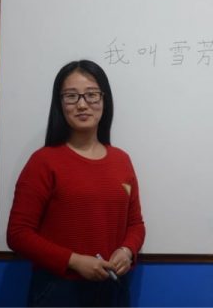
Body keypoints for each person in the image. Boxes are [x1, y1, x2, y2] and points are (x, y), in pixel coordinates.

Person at [7, 60, 146, 307]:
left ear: (104, 99)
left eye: (91, 94)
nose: (82, 104)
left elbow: (135, 224)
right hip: (59, 290)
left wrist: (127, 250)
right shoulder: (43, 161)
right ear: (60, 104)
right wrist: (74, 261)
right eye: (71, 96)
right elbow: (18, 234)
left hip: (113, 289)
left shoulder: (121, 160)